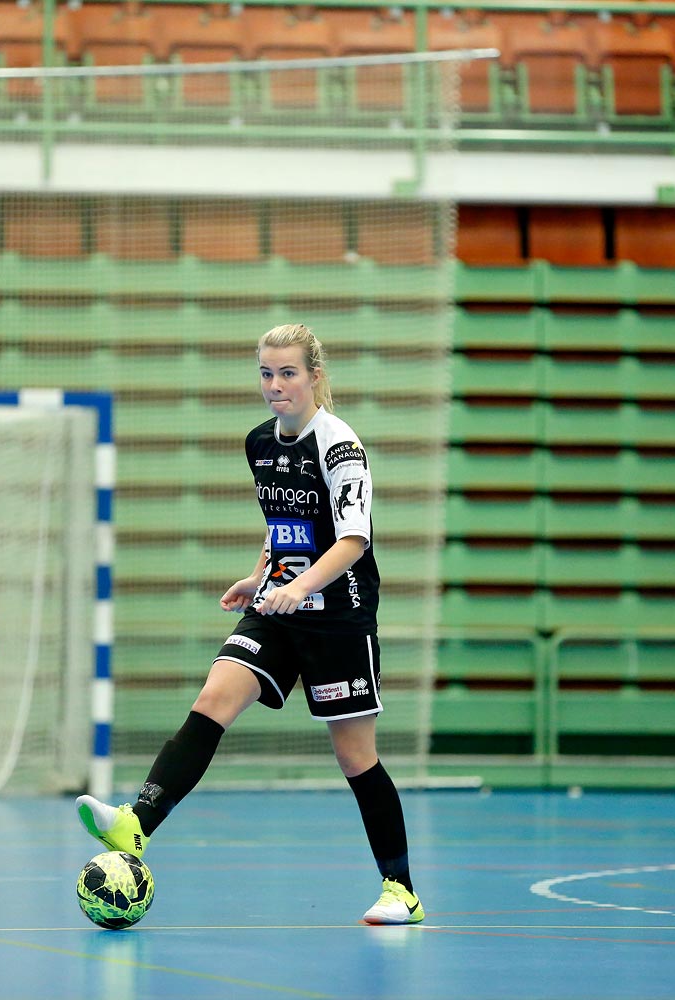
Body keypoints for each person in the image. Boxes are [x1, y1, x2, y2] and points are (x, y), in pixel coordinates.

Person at [75, 323, 424, 924]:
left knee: (355, 756)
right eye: (266, 373)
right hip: (279, 607)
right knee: (214, 696)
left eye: (288, 373)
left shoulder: (340, 446)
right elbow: (285, 523)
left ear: (314, 375)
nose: (275, 385)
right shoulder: (259, 443)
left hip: (338, 616)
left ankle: (402, 891)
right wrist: (260, 577)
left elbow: (352, 540)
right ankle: (137, 824)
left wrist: (299, 588)